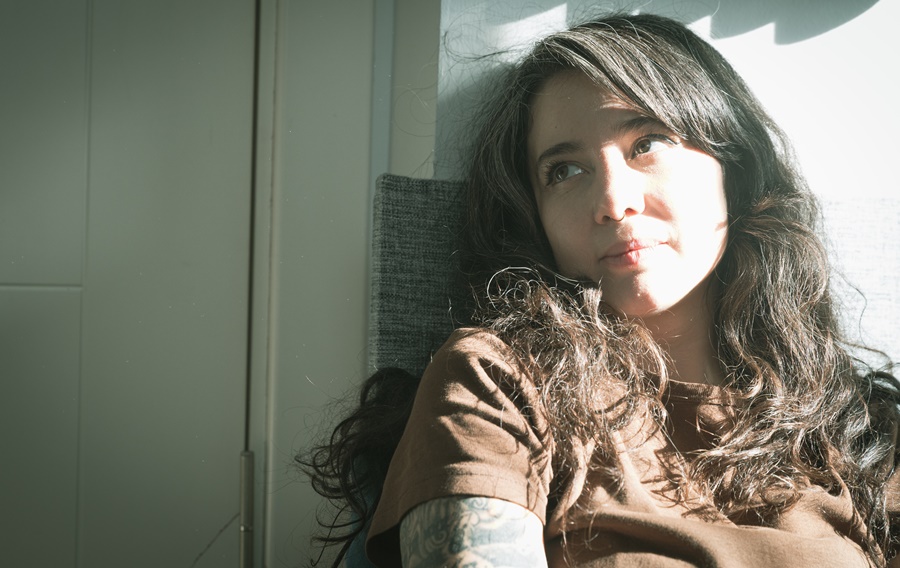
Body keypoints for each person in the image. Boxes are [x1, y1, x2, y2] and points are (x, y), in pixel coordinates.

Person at [301, 13, 900, 568]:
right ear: (534, 218)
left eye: (648, 143)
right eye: (564, 171)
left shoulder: (860, 426)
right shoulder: (496, 384)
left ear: (733, 166)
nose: (613, 201)